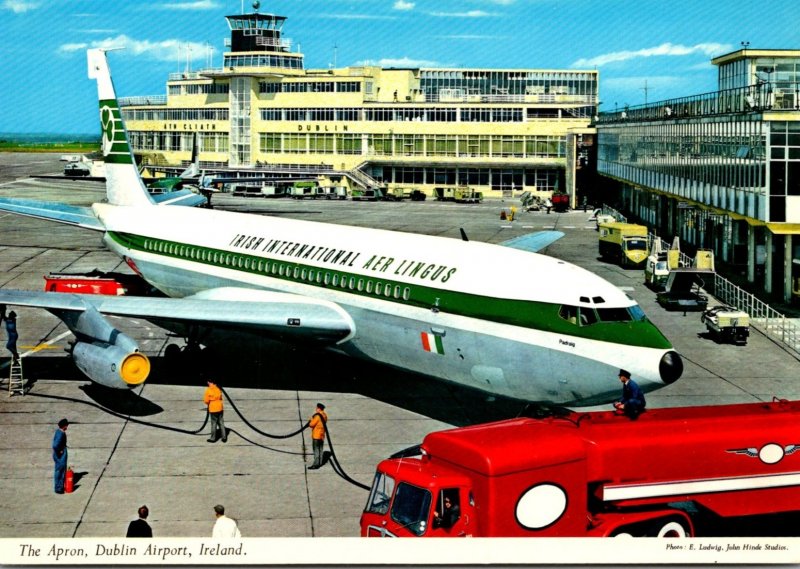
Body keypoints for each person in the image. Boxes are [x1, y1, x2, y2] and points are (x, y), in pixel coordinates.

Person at [307, 403, 327, 469]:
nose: (316, 409)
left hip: (316, 436)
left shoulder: (317, 416)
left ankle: (315, 464)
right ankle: (320, 463)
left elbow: (311, 424)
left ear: (319, 408)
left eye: (316, 408)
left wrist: (310, 420)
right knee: (320, 450)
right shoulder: (324, 415)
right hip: (322, 435)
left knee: (316, 450)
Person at [52, 418, 69, 494]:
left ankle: (59, 487)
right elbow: (55, 445)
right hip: (60, 456)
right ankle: (59, 488)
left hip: (57, 454)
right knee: (60, 471)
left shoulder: (58, 431)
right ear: (64, 426)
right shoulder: (61, 433)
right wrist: (60, 451)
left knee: (59, 470)